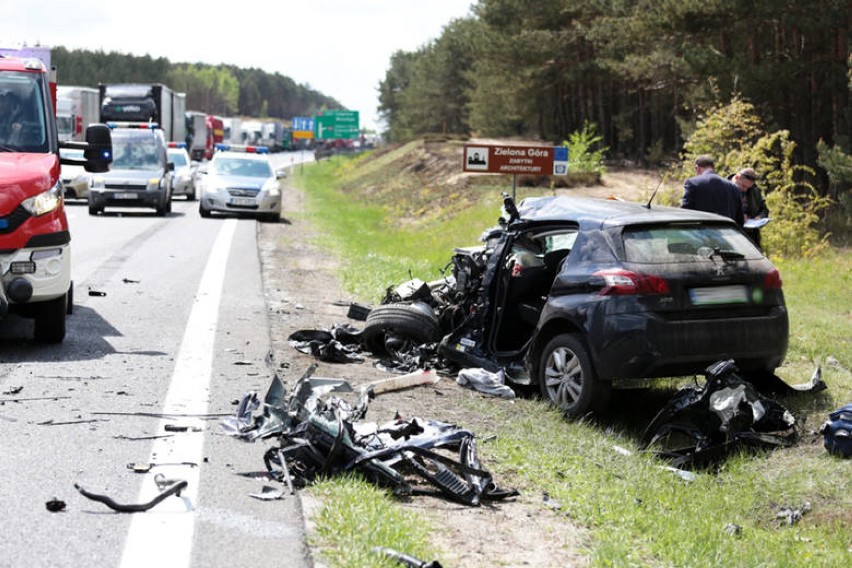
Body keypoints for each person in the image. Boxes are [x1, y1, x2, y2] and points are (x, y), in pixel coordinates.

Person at [681, 155, 744, 226]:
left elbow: (686, 211)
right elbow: (740, 219)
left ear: (697, 168)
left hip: (701, 233)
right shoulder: (733, 187)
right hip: (727, 233)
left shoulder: (692, 183)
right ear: (713, 168)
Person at [730, 167, 769, 249]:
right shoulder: (724, 188)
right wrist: (739, 216)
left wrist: (759, 217)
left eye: (748, 187)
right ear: (737, 178)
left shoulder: (755, 190)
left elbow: (764, 210)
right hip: (731, 234)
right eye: (743, 186)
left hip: (751, 235)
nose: (745, 189)